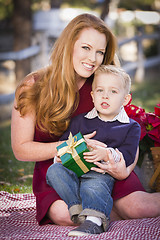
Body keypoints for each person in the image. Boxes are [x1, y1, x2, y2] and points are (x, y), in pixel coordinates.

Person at [11, 13, 160, 227]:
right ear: (69, 45)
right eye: (86, 48)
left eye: (100, 52)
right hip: (59, 172)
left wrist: (124, 169)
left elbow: (127, 128)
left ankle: (104, 212)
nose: (93, 59)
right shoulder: (33, 87)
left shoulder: (102, 86)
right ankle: (102, 213)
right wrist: (70, 146)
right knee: (65, 214)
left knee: (141, 208)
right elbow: (21, 149)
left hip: (101, 168)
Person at [46, 64, 141, 236]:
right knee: (54, 171)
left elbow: (128, 155)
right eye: (100, 90)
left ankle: (94, 222)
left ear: (126, 99)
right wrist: (61, 155)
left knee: (93, 184)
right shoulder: (79, 121)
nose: (105, 95)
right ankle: (77, 208)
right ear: (92, 95)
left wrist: (107, 153)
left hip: (100, 171)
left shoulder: (130, 127)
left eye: (113, 91)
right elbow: (64, 144)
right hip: (75, 169)